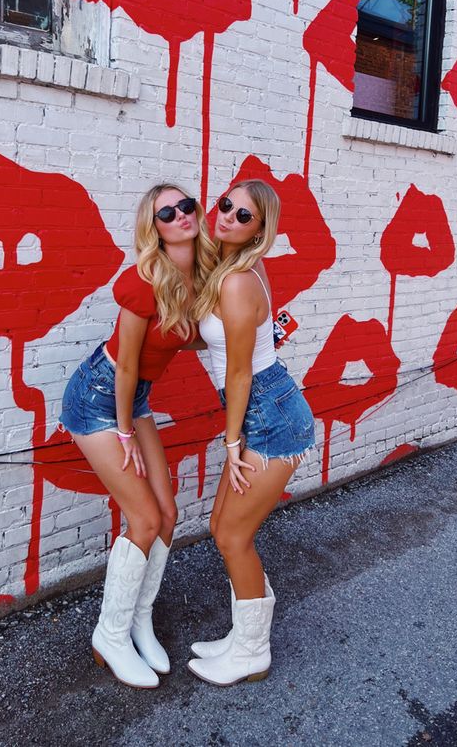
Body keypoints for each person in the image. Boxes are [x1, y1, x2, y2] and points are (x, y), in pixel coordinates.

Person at [60, 184, 216, 689]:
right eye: (166, 213)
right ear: (156, 229)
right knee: (144, 519)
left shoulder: (200, 277)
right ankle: (109, 633)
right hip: (99, 396)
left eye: (185, 205)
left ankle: (138, 619)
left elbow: (183, 338)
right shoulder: (143, 280)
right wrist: (124, 428)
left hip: (135, 396)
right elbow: (127, 364)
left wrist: (258, 336)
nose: (180, 215)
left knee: (169, 514)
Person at [188, 179, 316, 686]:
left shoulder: (237, 279)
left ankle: (252, 652)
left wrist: (233, 441)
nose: (228, 218)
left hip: (269, 417)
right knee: (223, 530)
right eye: (226, 206)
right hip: (261, 407)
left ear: (261, 230)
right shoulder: (231, 268)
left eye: (245, 216)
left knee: (235, 536)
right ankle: (243, 635)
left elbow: (240, 373)